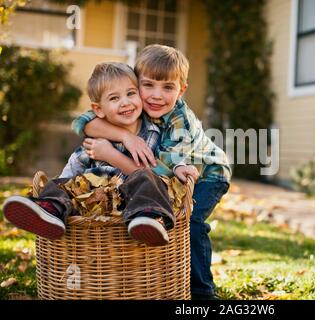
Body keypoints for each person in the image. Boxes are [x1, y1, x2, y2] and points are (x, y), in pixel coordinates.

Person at [71, 44, 232, 300]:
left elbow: (156, 175)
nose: (156, 95)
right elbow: (84, 123)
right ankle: (157, 276)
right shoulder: (134, 101)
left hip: (208, 173)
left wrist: (111, 153)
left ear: (182, 90)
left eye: (168, 87)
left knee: (188, 222)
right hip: (169, 174)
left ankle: (202, 292)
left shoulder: (181, 122)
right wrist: (125, 136)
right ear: (136, 83)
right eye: (148, 85)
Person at [3, 62, 198, 247]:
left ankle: (148, 218)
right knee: (58, 183)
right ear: (98, 109)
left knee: (147, 178)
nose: (125, 102)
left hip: (130, 198)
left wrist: (180, 166)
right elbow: (76, 162)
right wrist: (63, 183)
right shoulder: (97, 137)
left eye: (131, 93)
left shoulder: (153, 132)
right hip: (92, 199)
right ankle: (49, 211)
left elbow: (164, 163)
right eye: (114, 98)